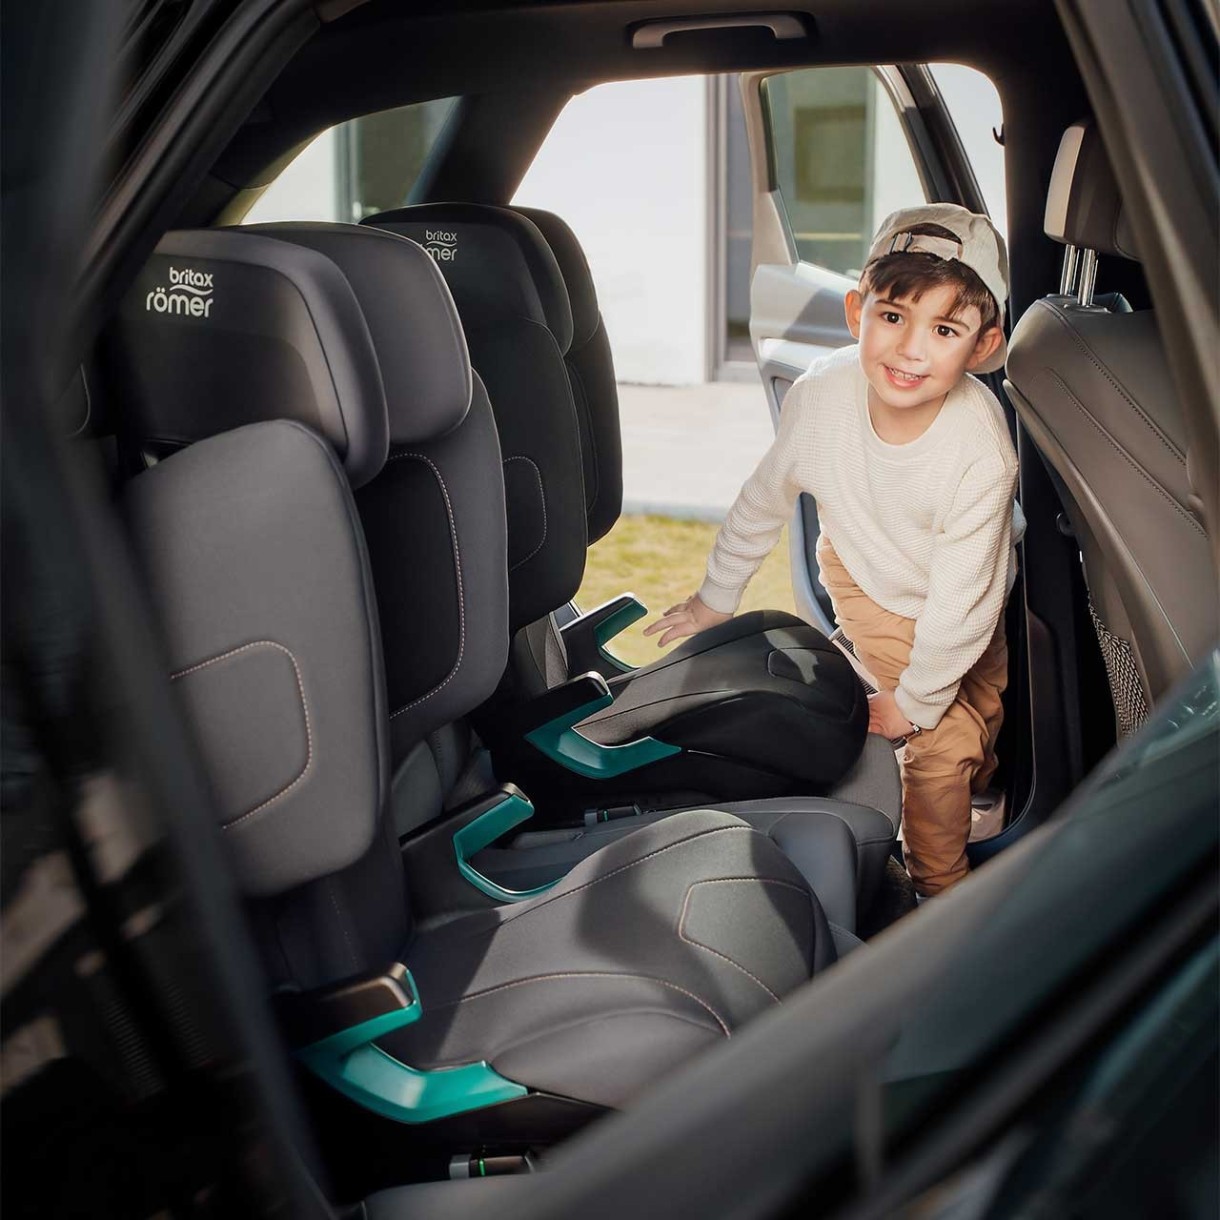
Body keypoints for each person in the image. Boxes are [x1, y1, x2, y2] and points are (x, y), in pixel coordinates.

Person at [644, 204, 1024, 898]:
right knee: (940, 741)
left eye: (944, 330)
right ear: (857, 312)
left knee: (981, 712)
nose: (910, 350)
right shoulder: (821, 398)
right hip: (869, 576)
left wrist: (923, 694)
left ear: (982, 346)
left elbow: (963, 607)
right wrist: (714, 599)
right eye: (893, 316)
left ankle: (963, 787)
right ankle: (936, 883)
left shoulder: (979, 446)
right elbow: (763, 501)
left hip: (965, 595)